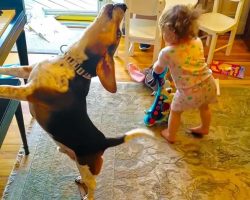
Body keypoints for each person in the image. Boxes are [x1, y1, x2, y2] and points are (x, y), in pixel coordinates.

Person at [150, 5, 217, 143]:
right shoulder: (197, 42)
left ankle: (171, 134)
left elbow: (158, 68)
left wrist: (155, 71)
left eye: (164, 32)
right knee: (204, 107)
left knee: (175, 111)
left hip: (188, 92)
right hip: (209, 84)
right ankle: (205, 127)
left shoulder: (167, 52)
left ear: (171, 33)